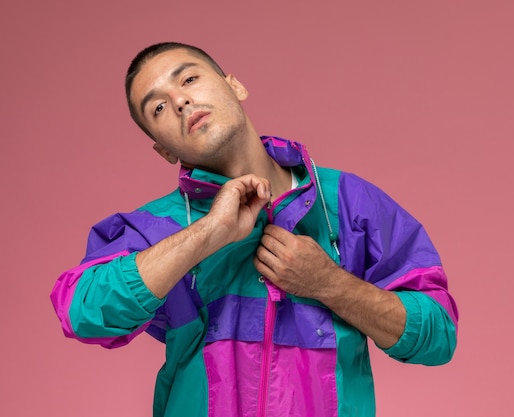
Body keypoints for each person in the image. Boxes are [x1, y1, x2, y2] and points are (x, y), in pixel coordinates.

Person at [50, 42, 459, 417]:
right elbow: (81, 312)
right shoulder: (158, 228)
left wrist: (329, 284)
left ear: (235, 86)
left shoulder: (348, 203)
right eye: (157, 107)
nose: (181, 101)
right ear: (164, 150)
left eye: (189, 79)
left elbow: (438, 334)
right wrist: (209, 232)